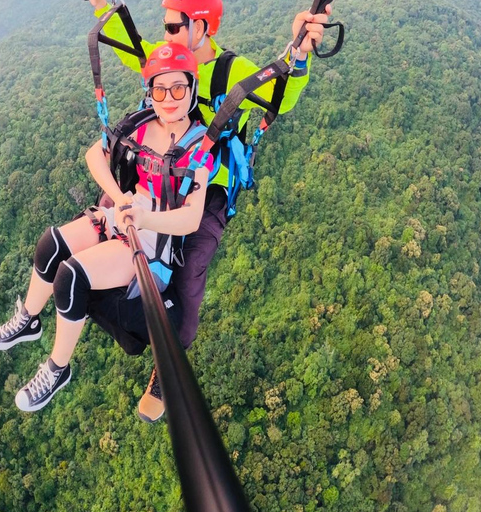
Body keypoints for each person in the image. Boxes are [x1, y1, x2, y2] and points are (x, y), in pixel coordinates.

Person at [85, 0, 334, 422]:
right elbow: (132, 47)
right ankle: (76, 293)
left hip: (206, 187)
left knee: (187, 285)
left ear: (200, 26)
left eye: (171, 26)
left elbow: (280, 94)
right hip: (155, 172)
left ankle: (165, 367)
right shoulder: (165, 59)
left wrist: (300, 52)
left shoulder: (230, 71)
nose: (163, 37)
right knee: (98, 227)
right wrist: (106, 7)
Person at [0, 43, 214, 413]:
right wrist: (119, 198)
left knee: (70, 277)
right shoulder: (139, 125)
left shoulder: (200, 147)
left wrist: (143, 217)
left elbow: (190, 217)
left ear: (192, 89)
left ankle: (57, 369)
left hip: (151, 242)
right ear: (149, 92)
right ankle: (28, 320)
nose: (168, 98)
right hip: (124, 213)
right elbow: (95, 155)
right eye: (159, 89)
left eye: (178, 88)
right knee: (51, 244)